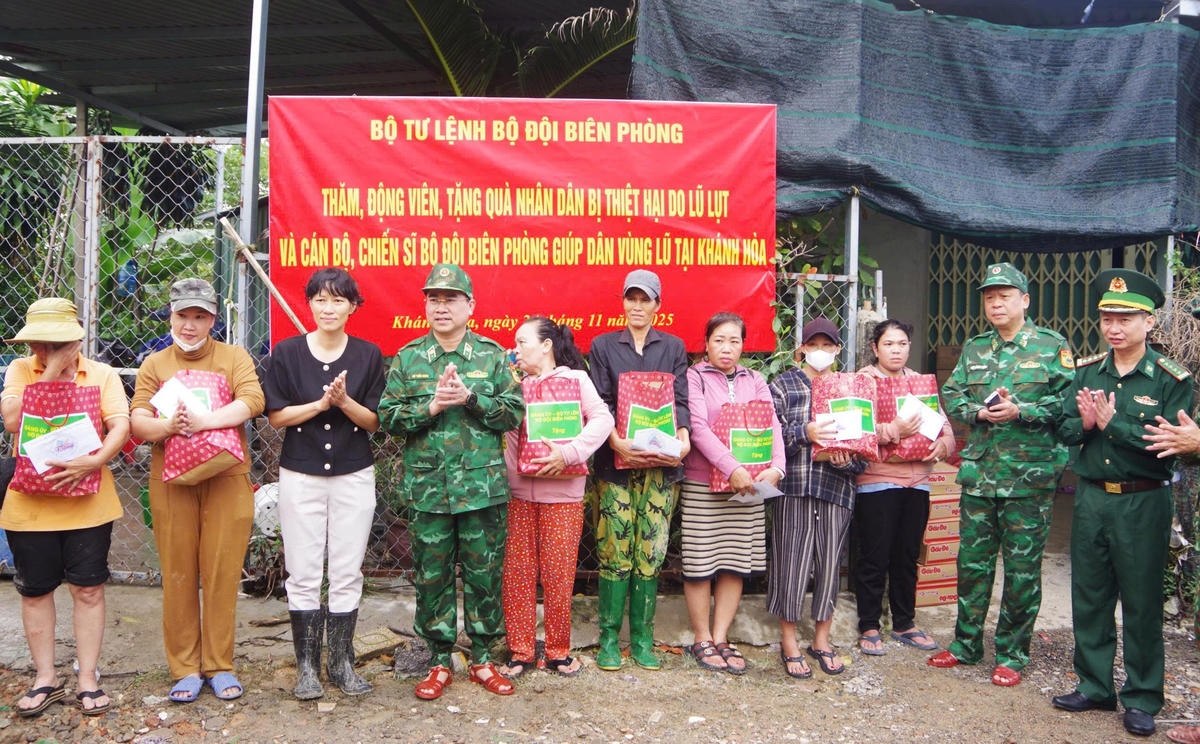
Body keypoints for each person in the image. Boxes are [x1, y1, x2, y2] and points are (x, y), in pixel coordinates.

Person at [1051, 269, 1192, 738]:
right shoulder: (1088, 371)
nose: (1115, 327)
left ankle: (1142, 695)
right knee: (1089, 595)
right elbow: (1065, 430)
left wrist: (1112, 425)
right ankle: (1094, 685)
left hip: (1143, 501)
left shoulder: (1172, 379)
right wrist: (1088, 426)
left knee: (1141, 600)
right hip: (1092, 499)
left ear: (1149, 322)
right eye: (1108, 317)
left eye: (1126, 318)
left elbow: (1168, 443)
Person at [378, 263, 523, 700]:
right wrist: (432, 408)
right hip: (430, 491)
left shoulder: (492, 356)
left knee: (484, 573)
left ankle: (482, 657)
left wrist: (471, 399)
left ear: (470, 306)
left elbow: (514, 412)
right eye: (433, 299)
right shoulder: (407, 357)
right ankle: (439, 660)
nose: (441, 307)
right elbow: (387, 418)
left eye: (451, 299)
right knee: (432, 575)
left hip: (481, 491)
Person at [929, 262, 1073, 687]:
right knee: (972, 564)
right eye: (989, 296)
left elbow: (1066, 404)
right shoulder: (974, 348)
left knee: (1022, 569)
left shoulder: (1050, 346)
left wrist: (1022, 411)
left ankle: (1012, 653)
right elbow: (952, 393)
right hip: (981, 475)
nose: (995, 302)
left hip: (1029, 479)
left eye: (1005, 295)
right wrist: (975, 412)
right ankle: (966, 644)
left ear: (1024, 301)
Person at [130, 278, 265, 703]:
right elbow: (137, 419)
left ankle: (219, 664)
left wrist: (204, 421)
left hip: (226, 476)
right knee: (179, 572)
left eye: (200, 316)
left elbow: (253, 400)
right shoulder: (154, 364)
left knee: (223, 572)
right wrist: (168, 427)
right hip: (171, 480)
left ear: (213, 319)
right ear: (171, 315)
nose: (190, 325)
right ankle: (185, 667)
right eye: (182, 315)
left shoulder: (233, 357)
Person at [0, 298, 130, 717]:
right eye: (38, 342)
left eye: (54, 342)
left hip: (89, 499)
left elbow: (121, 424)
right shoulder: (22, 370)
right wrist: (54, 369)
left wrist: (95, 460)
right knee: (35, 590)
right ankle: (45, 678)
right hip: (30, 502)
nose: (43, 349)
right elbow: (13, 421)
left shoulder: (103, 374)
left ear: (75, 339)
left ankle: (87, 678)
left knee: (88, 588)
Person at [262, 268, 384, 699]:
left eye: (338, 300)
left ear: (353, 306)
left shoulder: (368, 355)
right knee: (304, 571)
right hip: (301, 472)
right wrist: (320, 403)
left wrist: (345, 401)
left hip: (353, 473)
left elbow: (373, 421)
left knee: (348, 569)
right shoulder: (288, 352)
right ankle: (307, 668)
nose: (328, 308)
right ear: (309, 304)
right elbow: (276, 416)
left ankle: (342, 663)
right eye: (320, 299)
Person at [498, 316, 614, 679]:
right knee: (517, 573)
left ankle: (558, 651)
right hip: (519, 494)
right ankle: (520, 650)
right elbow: (509, 436)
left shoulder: (576, 380)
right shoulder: (515, 385)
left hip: (563, 494)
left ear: (546, 345)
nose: (516, 350)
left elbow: (602, 419)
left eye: (522, 343)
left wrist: (569, 453)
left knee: (559, 574)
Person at [588, 269, 691, 671]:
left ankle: (644, 639)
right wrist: (614, 441)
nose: (637, 306)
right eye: (631, 298)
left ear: (657, 305)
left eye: (645, 299)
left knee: (650, 549)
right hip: (616, 462)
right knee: (615, 548)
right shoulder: (602, 346)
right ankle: (610, 639)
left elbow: (680, 400)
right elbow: (601, 401)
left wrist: (682, 441)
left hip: (661, 467)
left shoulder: (674, 347)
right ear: (622, 302)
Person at [681, 312, 784, 674]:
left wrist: (777, 468)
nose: (727, 348)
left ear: (744, 345)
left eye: (734, 341)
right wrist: (732, 467)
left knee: (734, 563)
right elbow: (697, 428)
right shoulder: (693, 377)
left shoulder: (755, 379)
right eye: (719, 340)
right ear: (706, 343)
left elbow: (771, 423)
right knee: (699, 562)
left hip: (749, 486)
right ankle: (702, 637)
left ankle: (722, 637)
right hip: (702, 482)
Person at [768, 318, 867, 678]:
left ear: (838, 350)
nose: (821, 351)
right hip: (793, 486)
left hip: (836, 488)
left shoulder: (851, 388)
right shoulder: (782, 385)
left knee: (829, 567)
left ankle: (822, 639)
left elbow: (864, 446)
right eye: (815, 344)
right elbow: (770, 436)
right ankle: (789, 640)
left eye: (829, 345)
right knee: (790, 563)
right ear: (802, 349)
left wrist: (848, 458)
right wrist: (804, 432)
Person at [854, 319, 955, 656]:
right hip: (877, 480)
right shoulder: (863, 382)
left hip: (918, 483)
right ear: (875, 348)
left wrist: (945, 445)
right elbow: (854, 432)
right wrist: (891, 429)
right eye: (888, 344)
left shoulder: (920, 382)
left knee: (908, 555)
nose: (895, 350)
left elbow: (944, 426)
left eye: (901, 344)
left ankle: (904, 622)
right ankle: (868, 624)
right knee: (874, 555)